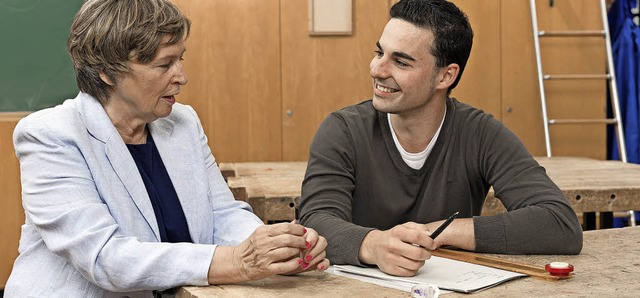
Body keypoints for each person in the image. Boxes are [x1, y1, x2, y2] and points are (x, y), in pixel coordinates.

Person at [4, 0, 329, 296]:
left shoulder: (182, 122)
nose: (182, 77)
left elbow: (222, 215)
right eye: (164, 65)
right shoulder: (51, 135)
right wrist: (236, 261)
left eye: (180, 59)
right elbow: (106, 258)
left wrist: (281, 247)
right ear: (106, 71)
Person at [298, 0, 582, 277]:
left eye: (401, 62)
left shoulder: (480, 133)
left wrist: (439, 231)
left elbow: (559, 223)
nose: (378, 70)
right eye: (379, 52)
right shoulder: (343, 130)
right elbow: (315, 222)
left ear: (446, 76)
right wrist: (373, 246)